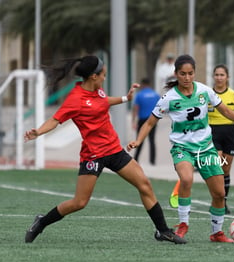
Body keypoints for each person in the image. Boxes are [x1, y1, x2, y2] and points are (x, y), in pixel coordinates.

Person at [23, 55, 186, 244]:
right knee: (80, 202)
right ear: (93, 76)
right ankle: (42, 221)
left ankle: (163, 231)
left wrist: (126, 98)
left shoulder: (97, 90)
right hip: (93, 155)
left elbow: (103, 101)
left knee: (144, 185)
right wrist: (39, 132)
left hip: (114, 150)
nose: (105, 78)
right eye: (103, 75)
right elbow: (55, 120)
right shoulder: (75, 99)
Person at [127, 55, 234, 243]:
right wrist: (138, 140)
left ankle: (216, 233)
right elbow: (150, 122)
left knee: (219, 194)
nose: (187, 77)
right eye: (183, 74)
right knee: (186, 179)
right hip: (182, 148)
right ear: (176, 74)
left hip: (206, 148)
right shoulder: (169, 98)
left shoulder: (204, 91)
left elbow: (225, 111)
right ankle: (183, 224)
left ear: (195, 73)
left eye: (190, 73)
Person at [168, 64, 234, 214]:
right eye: (216, 75)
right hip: (212, 133)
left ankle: (223, 201)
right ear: (213, 77)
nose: (219, 78)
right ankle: (191, 173)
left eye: (222, 75)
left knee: (225, 170)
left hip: (229, 133)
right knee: (216, 160)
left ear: (227, 77)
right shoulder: (205, 93)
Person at [131, 78, 160, 165]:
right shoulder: (156, 95)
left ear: (142, 84)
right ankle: (152, 160)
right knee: (152, 140)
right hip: (153, 119)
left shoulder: (139, 95)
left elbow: (136, 108)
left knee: (139, 139)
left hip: (142, 120)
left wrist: (133, 121)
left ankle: (136, 159)